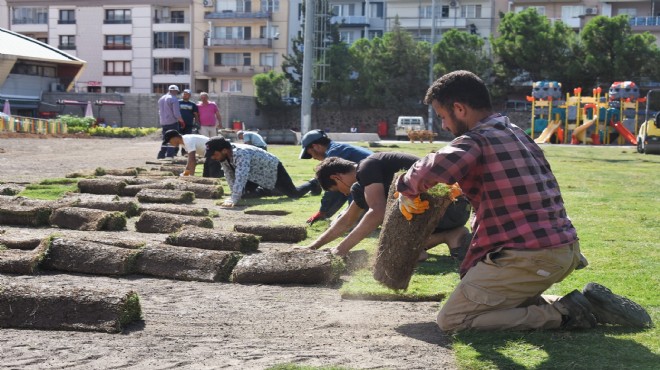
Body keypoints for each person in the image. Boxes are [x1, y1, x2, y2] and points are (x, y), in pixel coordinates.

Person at [395, 70, 652, 332]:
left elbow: (431, 168)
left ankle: (563, 314)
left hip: (529, 256)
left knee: (453, 320)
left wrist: (404, 187)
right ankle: (583, 304)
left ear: (459, 109)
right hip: (561, 249)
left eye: (442, 117)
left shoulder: (477, 139)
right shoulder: (514, 131)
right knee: (498, 306)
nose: (444, 126)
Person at [306, 152, 472, 261]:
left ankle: (419, 246)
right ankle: (452, 235)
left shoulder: (367, 168)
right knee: (391, 249)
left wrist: (340, 249)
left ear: (337, 177)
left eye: (337, 189)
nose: (343, 194)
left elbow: (377, 212)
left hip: (448, 208)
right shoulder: (369, 177)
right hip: (457, 210)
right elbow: (347, 220)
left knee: (392, 251)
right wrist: (313, 246)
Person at [205, 137, 322, 207]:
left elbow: (241, 175)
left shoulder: (241, 153)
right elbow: (229, 175)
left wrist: (234, 199)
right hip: (255, 174)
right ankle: (271, 190)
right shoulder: (224, 157)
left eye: (214, 154)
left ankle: (313, 183)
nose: (213, 158)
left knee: (293, 194)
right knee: (244, 194)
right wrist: (234, 196)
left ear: (224, 150)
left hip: (273, 169)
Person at [299, 129, 373, 225]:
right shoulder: (338, 148)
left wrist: (323, 212)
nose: (313, 157)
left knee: (344, 224)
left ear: (316, 146)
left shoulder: (335, 153)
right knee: (340, 221)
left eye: (310, 153)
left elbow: (334, 190)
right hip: (372, 189)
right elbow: (341, 189)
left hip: (375, 190)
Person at [157, 85, 185, 159]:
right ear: (175, 91)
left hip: (163, 122)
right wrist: (181, 121)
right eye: (176, 91)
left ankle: (161, 155)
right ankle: (169, 156)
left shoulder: (161, 98)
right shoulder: (173, 99)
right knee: (173, 139)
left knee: (165, 139)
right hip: (172, 122)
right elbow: (176, 113)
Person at [178, 89, 200, 156]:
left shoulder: (192, 104)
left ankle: (184, 152)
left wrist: (196, 122)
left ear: (189, 95)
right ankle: (174, 152)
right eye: (184, 94)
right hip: (178, 123)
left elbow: (196, 114)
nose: (185, 95)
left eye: (187, 94)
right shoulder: (178, 102)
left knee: (186, 139)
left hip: (188, 124)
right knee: (177, 137)